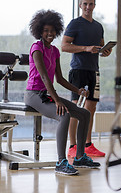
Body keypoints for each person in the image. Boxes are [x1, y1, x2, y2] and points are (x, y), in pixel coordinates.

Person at [24, 9, 101, 176]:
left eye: (52, 30)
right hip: (33, 95)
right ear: (40, 31)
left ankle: (80, 156)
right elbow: (44, 77)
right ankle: (60, 162)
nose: (50, 33)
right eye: (46, 31)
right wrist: (57, 100)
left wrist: (78, 90)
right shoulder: (36, 48)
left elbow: (59, 79)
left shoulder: (55, 51)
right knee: (64, 114)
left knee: (85, 114)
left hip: (47, 93)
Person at [61, 0, 112, 158]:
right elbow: (64, 46)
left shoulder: (98, 27)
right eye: (85, 4)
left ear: (95, 5)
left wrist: (105, 52)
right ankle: (73, 146)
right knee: (76, 108)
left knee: (91, 108)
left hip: (93, 71)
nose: (88, 7)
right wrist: (85, 48)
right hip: (78, 71)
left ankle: (87, 145)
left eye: (91, 4)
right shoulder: (75, 24)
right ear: (80, 5)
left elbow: (101, 47)